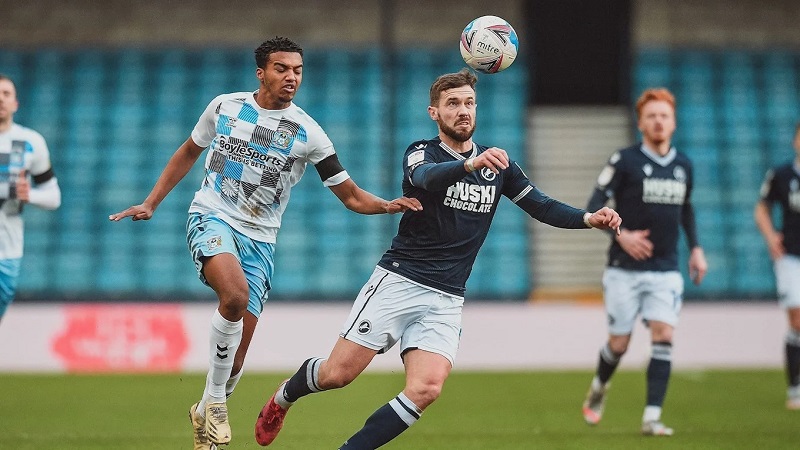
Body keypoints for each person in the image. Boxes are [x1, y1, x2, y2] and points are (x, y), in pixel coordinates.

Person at [253, 68, 622, 449]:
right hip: (400, 280)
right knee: (337, 375)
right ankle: (284, 397)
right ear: (435, 112)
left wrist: (588, 218)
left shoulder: (499, 166)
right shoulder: (422, 152)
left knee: (426, 388)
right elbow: (426, 178)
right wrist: (470, 165)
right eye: (453, 104)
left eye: (469, 103)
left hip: (447, 296)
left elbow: (541, 205)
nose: (463, 111)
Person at [108, 37, 421, 450]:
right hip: (212, 216)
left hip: (260, 239)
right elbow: (188, 151)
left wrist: (386, 205)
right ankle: (215, 402)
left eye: (298, 70)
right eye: (281, 69)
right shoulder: (225, 107)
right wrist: (152, 202)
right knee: (234, 297)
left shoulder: (308, 132)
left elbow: (349, 195)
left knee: (235, 358)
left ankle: (205, 409)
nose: (292, 77)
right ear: (261, 73)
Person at [580, 87, 708, 436]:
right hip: (624, 269)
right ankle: (600, 386)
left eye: (664, 116)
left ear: (674, 122)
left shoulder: (684, 165)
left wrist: (696, 248)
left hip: (666, 268)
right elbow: (593, 205)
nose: (658, 122)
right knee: (619, 344)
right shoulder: (624, 161)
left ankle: (652, 417)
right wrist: (622, 235)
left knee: (664, 335)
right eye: (651, 116)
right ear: (640, 123)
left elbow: (687, 209)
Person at [0, 74, 61, 323]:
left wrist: (30, 194)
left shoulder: (30, 142)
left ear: (15, 103)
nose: (0, 99)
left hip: (6, 250)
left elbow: (53, 197)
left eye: (6, 94)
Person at [754, 122, 800, 410]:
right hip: (791, 257)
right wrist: (771, 237)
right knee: (797, 320)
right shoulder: (781, 175)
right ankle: (795, 388)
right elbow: (762, 208)